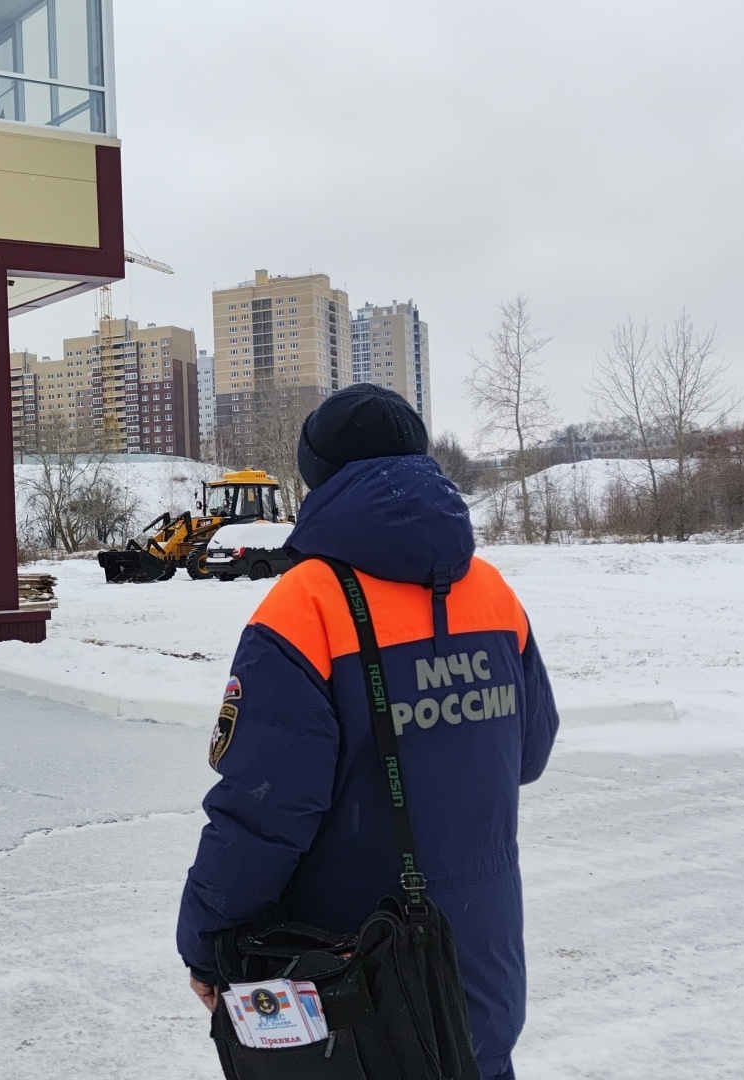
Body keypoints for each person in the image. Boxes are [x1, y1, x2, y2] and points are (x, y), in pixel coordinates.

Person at [178, 384, 559, 1080]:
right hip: (479, 963)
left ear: (315, 476)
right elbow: (528, 753)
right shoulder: (492, 592)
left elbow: (264, 809)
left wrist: (204, 937)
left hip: (358, 989)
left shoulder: (306, 606)